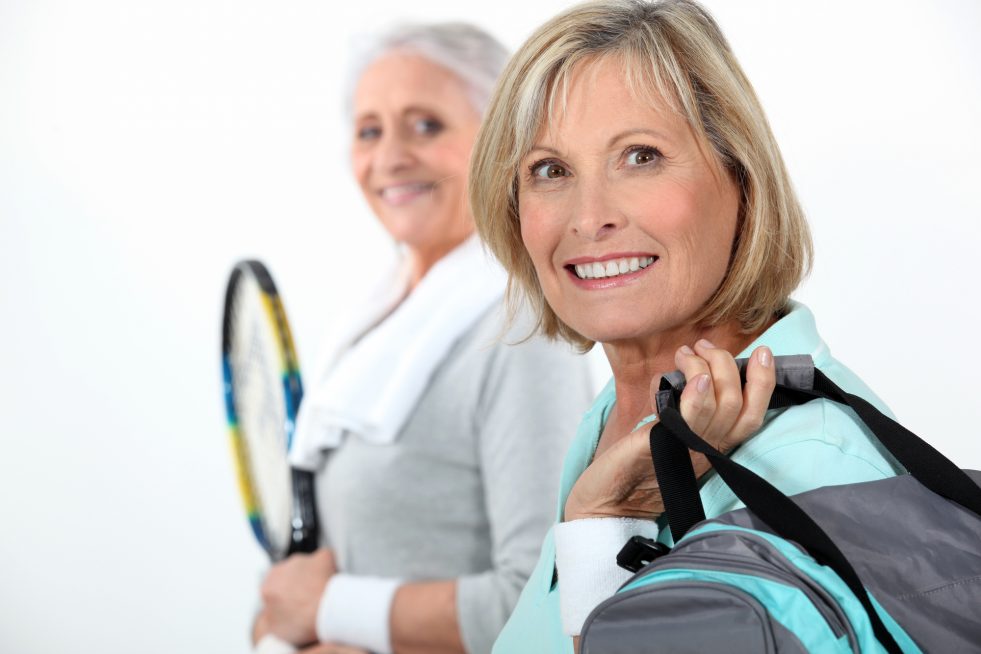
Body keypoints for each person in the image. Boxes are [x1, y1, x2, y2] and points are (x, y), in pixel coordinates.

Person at [468, 1, 905, 651]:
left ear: (740, 177)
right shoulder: (622, 411)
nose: (589, 217)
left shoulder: (811, 467)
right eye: (550, 170)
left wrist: (599, 525)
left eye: (639, 156)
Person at [252, 23, 596, 654]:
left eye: (426, 125)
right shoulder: (372, 323)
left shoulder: (520, 334)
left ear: (498, 142)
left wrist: (325, 609)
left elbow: (540, 597)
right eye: (369, 130)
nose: (389, 157)